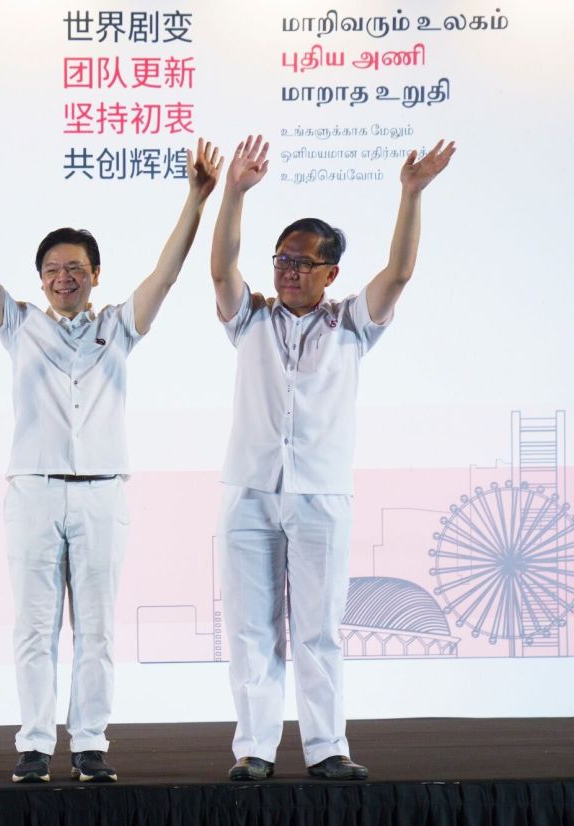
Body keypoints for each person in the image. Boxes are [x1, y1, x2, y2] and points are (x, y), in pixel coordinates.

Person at [0, 136, 222, 783]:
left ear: (94, 274)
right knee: (33, 628)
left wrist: (195, 202)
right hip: (33, 491)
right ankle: (34, 744)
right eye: (55, 268)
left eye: (77, 267)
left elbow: (166, 275)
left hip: (102, 493)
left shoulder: (118, 325)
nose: (66, 276)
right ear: (41, 278)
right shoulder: (19, 323)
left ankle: (89, 743)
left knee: (96, 632)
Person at [210, 135, 456, 782]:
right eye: (281, 259)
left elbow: (398, 274)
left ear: (330, 273)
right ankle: (254, 750)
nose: (287, 270)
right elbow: (219, 271)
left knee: (317, 630)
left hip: (320, 494)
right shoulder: (251, 321)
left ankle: (326, 749)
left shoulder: (352, 323)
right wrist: (233, 192)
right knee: (251, 630)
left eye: (302, 262)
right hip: (249, 493)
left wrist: (411, 194)